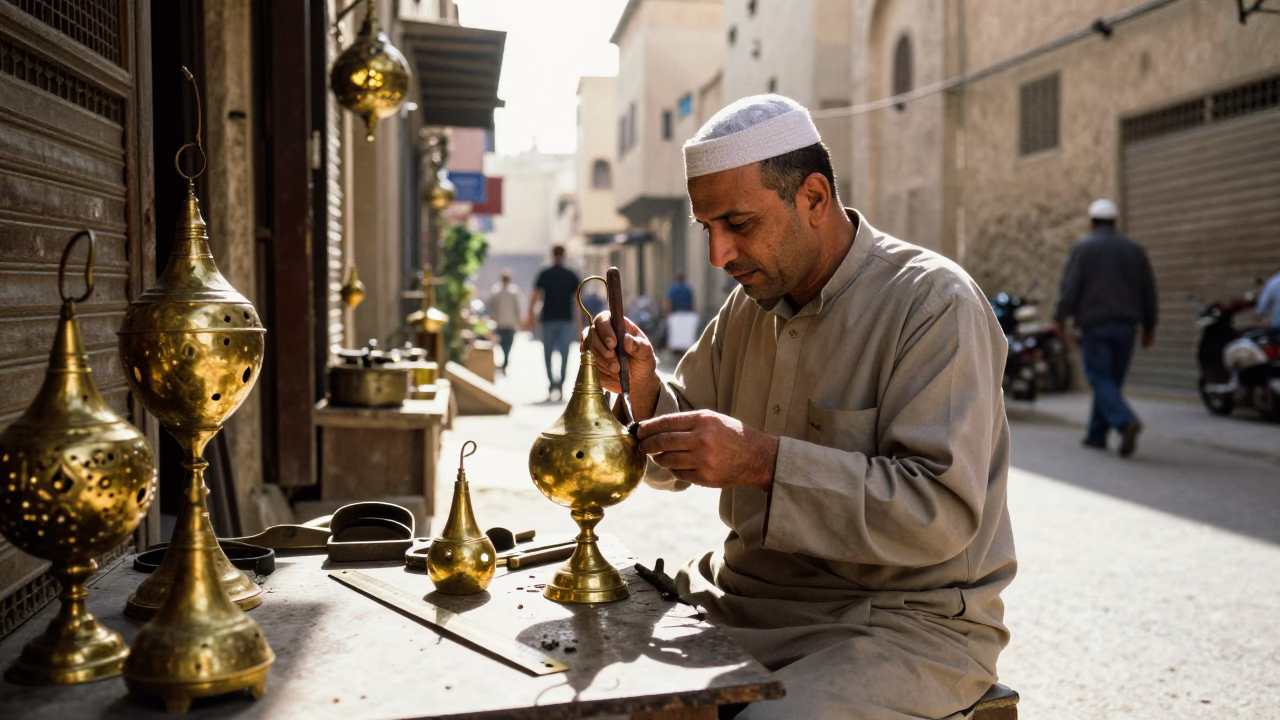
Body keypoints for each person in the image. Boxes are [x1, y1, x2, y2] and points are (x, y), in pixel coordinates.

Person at [585, 95, 1015, 720]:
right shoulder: (749, 305)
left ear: (813, 198)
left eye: (739, 223)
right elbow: (680, 447)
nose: (719, 256)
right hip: (744, 597)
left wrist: (763, 462)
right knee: (591, 668)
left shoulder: (932, 303)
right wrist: (644, 391)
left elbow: (939, 513)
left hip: (902, 627)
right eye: (707, 229)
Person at [1053, 199, 1157, 458]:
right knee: (1111, 381)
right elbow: (1148, 290)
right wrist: (1149, 325)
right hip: (1127, 327)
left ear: (1091, 222)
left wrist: (1059, 318)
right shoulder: (1135, 250)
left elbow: (1071, 287)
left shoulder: (1083, 248)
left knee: (1100, 378)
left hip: (1095, 326)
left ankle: (1124, 421)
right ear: (1115, 222)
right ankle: (1096, 436)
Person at [527, 246, 581, 401]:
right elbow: (578, 303)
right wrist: (580, 325)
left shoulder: (545, 274)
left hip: (548, 319)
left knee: (548, 354)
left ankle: (553, 385)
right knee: (564, 354)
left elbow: (535, 297)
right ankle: (560, 386)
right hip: (565, 319)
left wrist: (530, 316)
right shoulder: (571, 275)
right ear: (564, 255)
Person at [488, 269, 521, 374]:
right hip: (501, 323)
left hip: (509, 323)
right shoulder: (496, 291)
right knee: (502, 344)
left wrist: (518, 321)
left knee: (508, 344)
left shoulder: (514, 291)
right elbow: (493, 306)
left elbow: (517, 308)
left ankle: (505, 362)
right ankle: (504, 362)